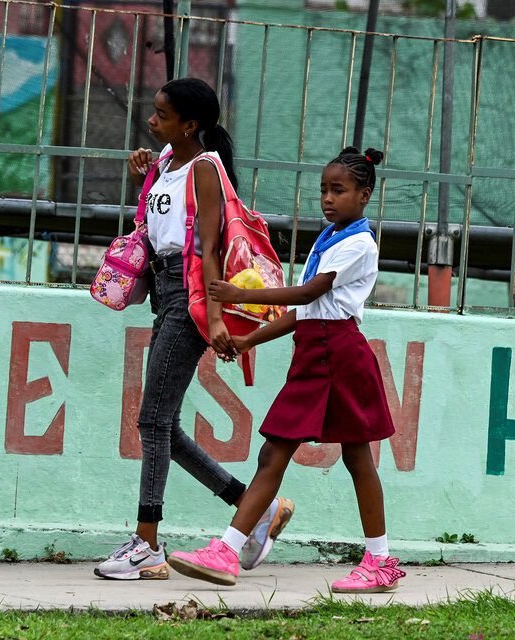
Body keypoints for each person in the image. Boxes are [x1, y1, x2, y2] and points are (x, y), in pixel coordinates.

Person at [166, 147, 406, 594]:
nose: (328, 198)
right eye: (323, 190)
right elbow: (306, 311)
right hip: (318, 352)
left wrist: (238, 296)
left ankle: (372, 559)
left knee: (332, 455)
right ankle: (375, 560)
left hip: (337, 354)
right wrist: (249, 340)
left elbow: (310, 292)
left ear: (364, 195)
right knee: (287, 453)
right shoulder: (330, 237)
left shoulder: (358, 243)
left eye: (339, 190)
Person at [94, 78, 294, 581]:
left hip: (190, 296)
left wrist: (217, 316)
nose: (151, 120)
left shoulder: (205, 168)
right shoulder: (166, 161)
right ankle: (256, 506)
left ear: (190, 124)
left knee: (152, 421)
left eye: (162, 115)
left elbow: (207, 246)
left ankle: (147, 544)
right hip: (164, 292)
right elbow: (158, 225)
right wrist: (143, 170)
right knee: (163, 425)